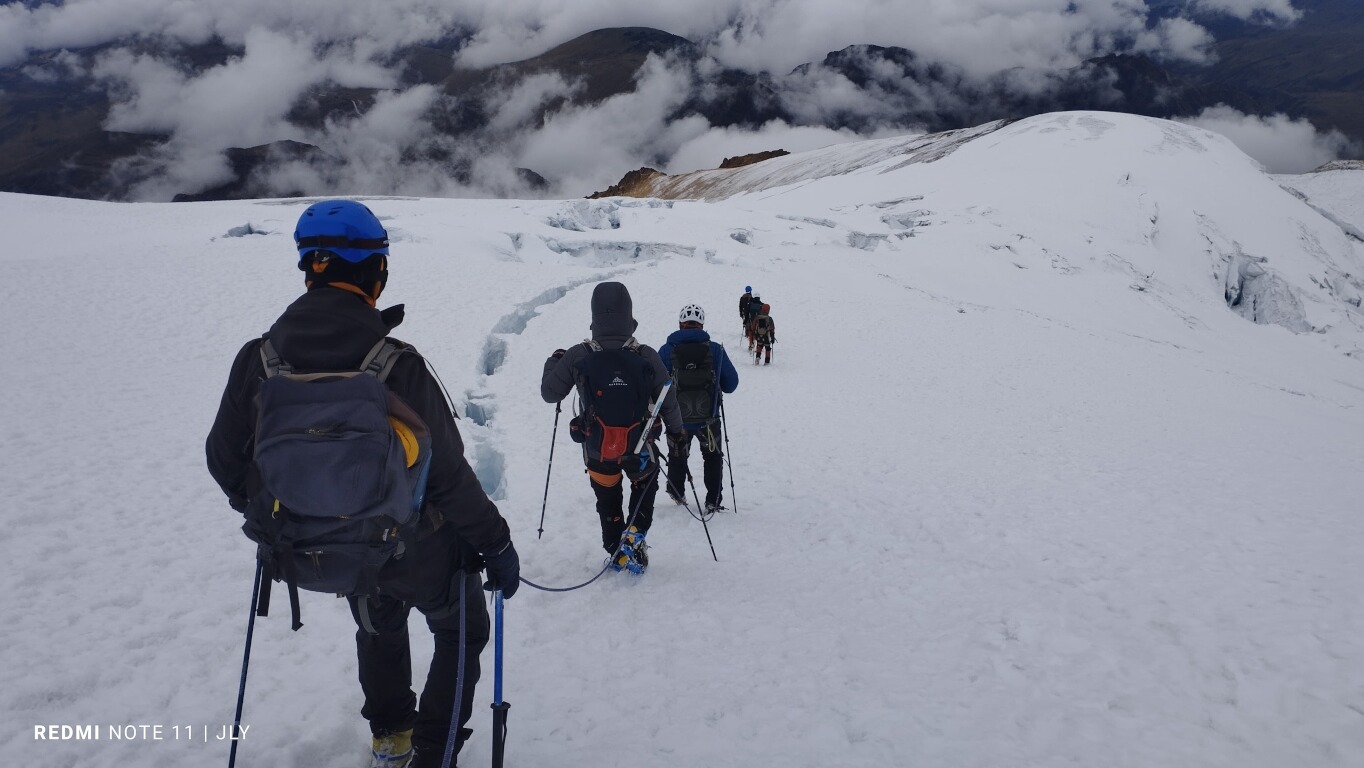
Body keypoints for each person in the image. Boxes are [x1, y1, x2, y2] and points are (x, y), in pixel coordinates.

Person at [206, 199, 519, 768]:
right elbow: (447, 473)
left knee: (377, 617)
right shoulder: (395, 364)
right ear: (375, 272)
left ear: (310, 268)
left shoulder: (259, 359)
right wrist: (495, 543)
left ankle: (392, 734)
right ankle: (434, 752)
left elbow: (225, 460)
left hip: (320, 547)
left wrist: (293, 511)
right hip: (411, 539)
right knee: (460, 627)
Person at [540, 282, 683, 573]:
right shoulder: (645, 355)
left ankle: (615, 547)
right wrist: (677, 432)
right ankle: (634, 533)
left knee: (608, 499)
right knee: (645, 484)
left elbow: (550, 393)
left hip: (597, 450)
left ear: (594, 316)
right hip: (639, 447)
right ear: (629, 315)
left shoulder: (578, 354)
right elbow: (668, 400)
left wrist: (553, 362)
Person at [658, 304, 740, 513]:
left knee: (677, 455)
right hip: (709, 419)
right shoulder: (715, 349)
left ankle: (676, 492)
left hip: (677, 419)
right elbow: (731, 384)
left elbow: (656, 386)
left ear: (680, 324)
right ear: (701, 325)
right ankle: (713, 500)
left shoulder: (666, 351)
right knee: (712, 457)